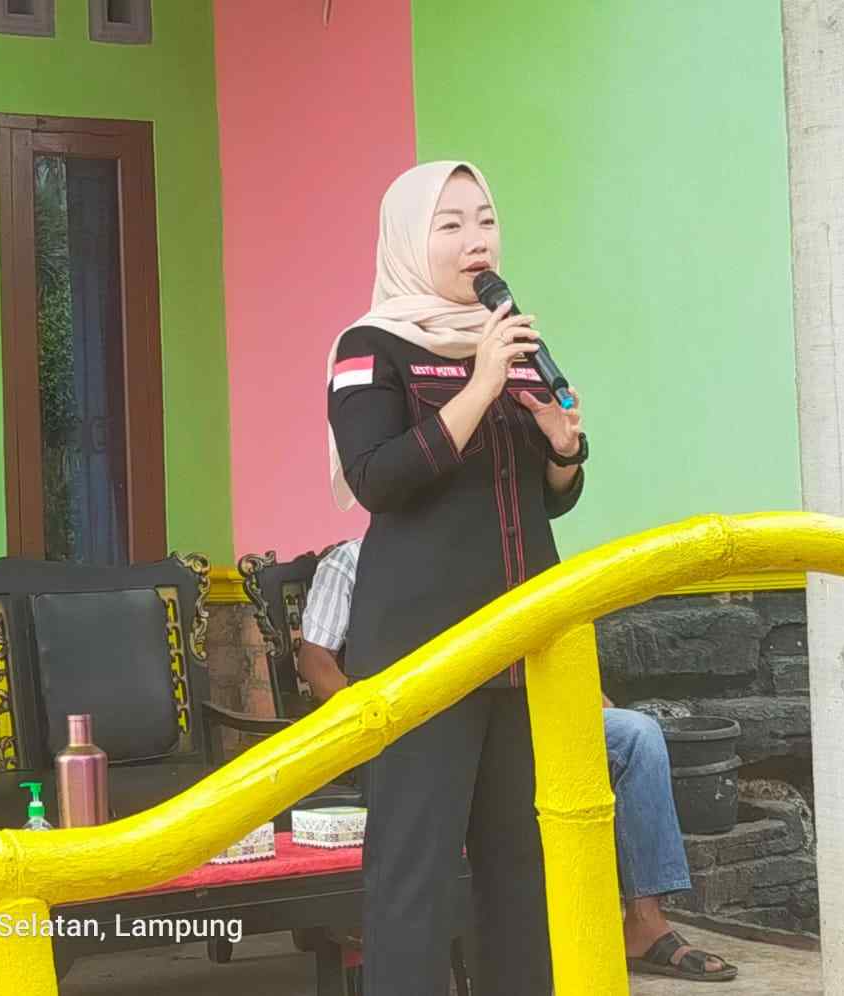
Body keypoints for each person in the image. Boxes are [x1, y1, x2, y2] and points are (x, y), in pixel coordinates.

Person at [326, 159, 584, 993]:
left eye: (485, 220)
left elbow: (546, 498)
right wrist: (478, 388)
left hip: (522, 646)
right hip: (423, 654)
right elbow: (379, 478)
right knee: (416, 874)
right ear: (410, 239)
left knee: (522, 870)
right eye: (451, 224)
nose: (476, 239)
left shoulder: (508, 339)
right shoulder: (370, 348)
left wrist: (563, 449)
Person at [300, 539, 738, 982]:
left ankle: (645, 925)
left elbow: (549, 637)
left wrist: (589, 698)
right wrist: (377, 720)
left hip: (524, 710)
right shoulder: (353, 560)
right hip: (419, 725)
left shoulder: (494, 547)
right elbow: (315, 662)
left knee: (635, 735)